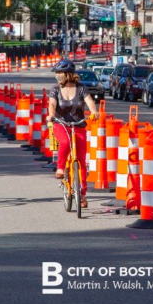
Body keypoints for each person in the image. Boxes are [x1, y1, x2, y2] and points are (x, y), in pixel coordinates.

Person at [46, 60, 99, 208]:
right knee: (65, 143)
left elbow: (89, 102)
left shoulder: (81, 88)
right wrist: (51, 115)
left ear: (68, 74)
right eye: (56, 74)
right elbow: (52, 104)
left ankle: (82, 194)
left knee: (81, 160)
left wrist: (94, 112)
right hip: (61, 123)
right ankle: (61, 167)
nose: (57, 76)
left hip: (79, 124)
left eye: (59, 73)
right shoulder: (55, 89)